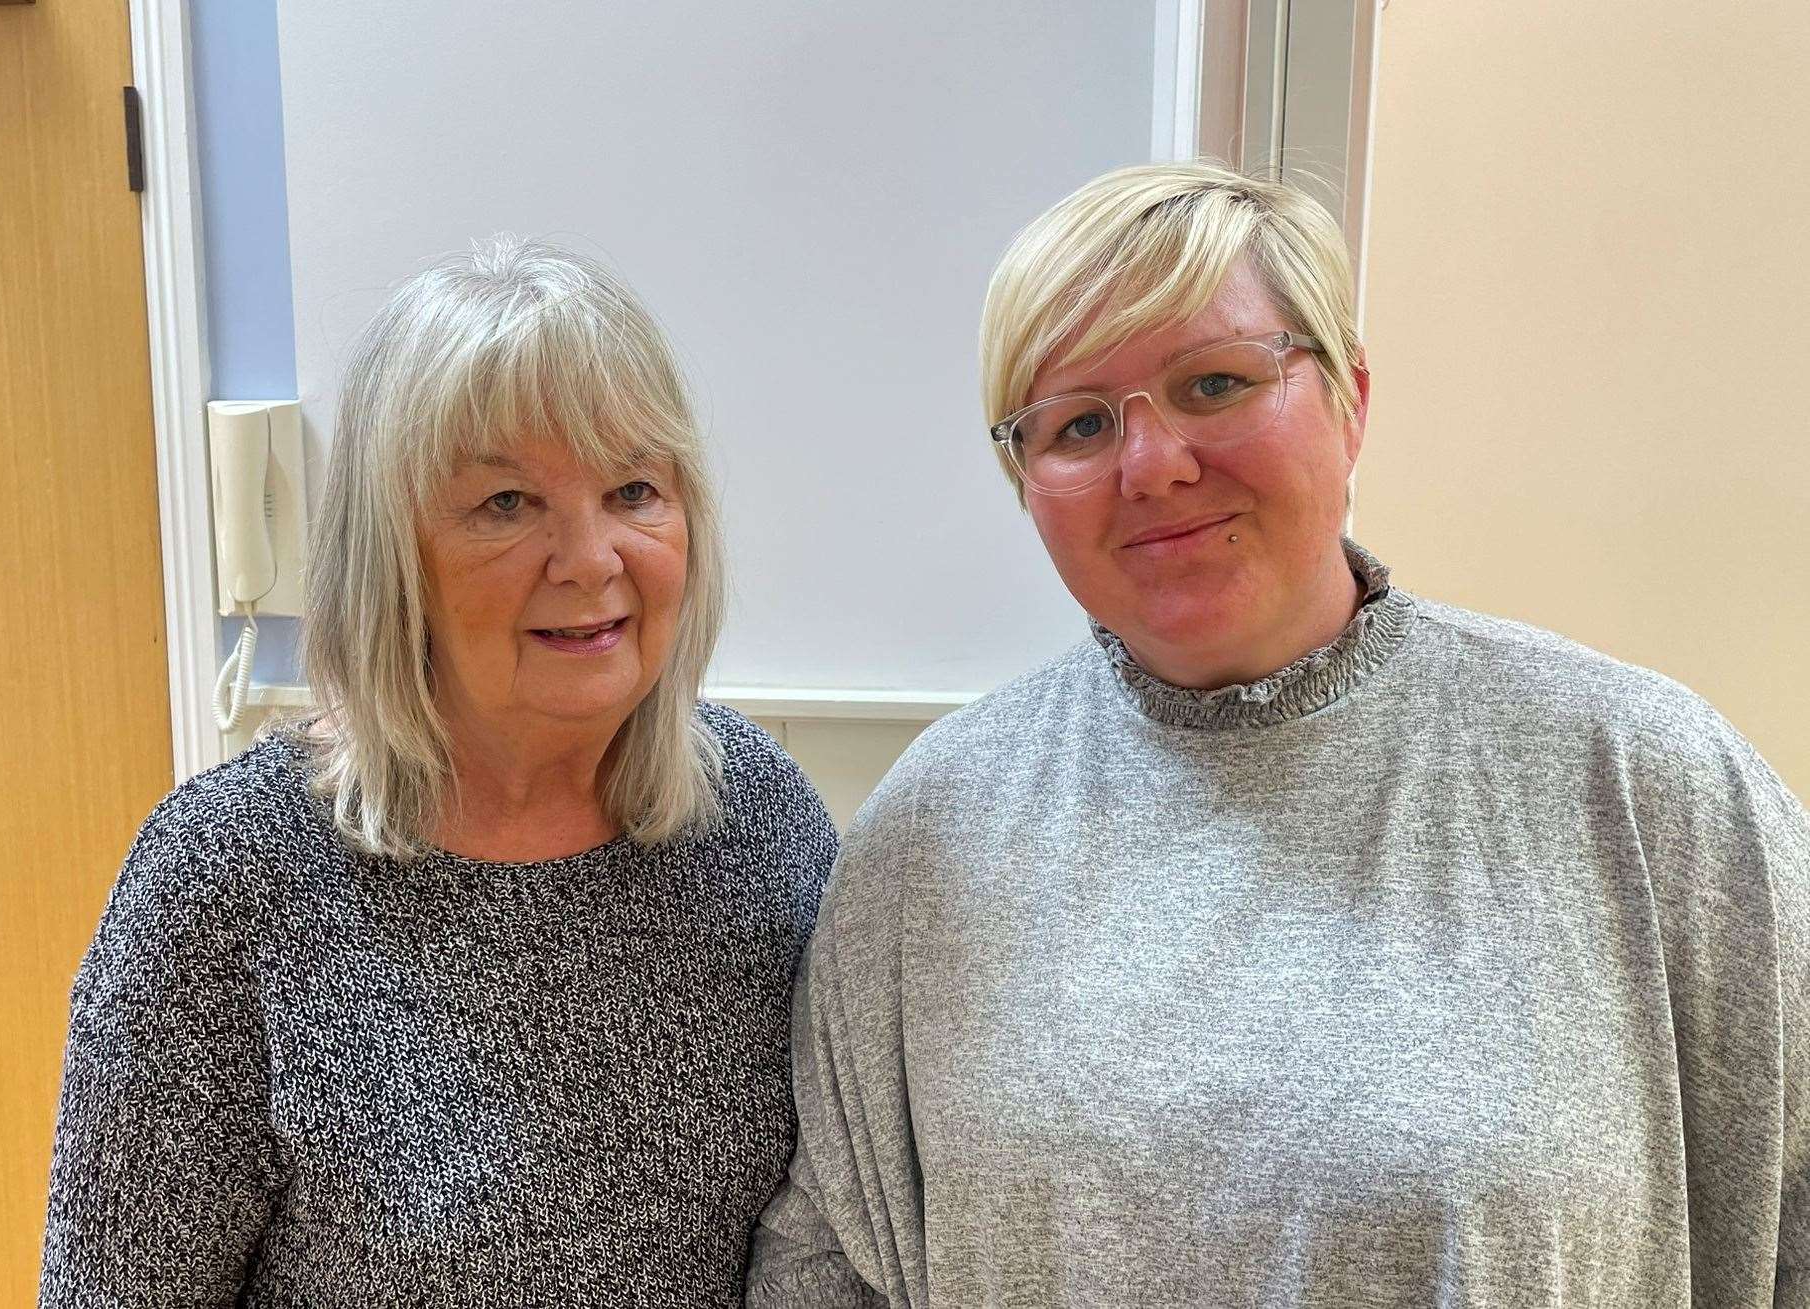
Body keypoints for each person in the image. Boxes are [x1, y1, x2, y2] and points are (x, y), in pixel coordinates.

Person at [746, 162, 1809, 1307]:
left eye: (1214, 382)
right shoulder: (930, 834)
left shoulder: (1644, 783)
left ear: (1351, 399)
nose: (1151, 465)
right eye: (1079, 423)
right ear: (1025, 478)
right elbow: (828, 1270)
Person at [39, 237, 837, 1307]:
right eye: (506, 503)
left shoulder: (762, 821)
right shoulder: (224, 877)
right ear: (390, 553)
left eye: (634, 489)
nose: (591, 560)